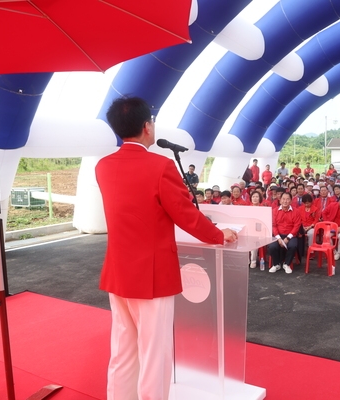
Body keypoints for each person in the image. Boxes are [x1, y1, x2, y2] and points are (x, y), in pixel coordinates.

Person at [95, 96, 237, 400]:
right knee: (154, 353)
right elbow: (185, 215)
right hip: (152, 276)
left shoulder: (103, 166)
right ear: (147, 126)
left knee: (123, 350)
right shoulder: (160, 166)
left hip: (118, 273)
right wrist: (218, 234)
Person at [268, 192, 301, 274]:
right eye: (283, 199)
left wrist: (288, 238)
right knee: (271, 246)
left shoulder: (296, 211)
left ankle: (287, 264)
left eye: (287, 199)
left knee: (293, 245)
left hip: (291, 235)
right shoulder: (274, 211)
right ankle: (276, 264)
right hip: (277, 235)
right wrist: (279, 238)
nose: (285, 201)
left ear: (291, 201)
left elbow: (296, 226)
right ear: (280, 200)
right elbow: (273, 226)